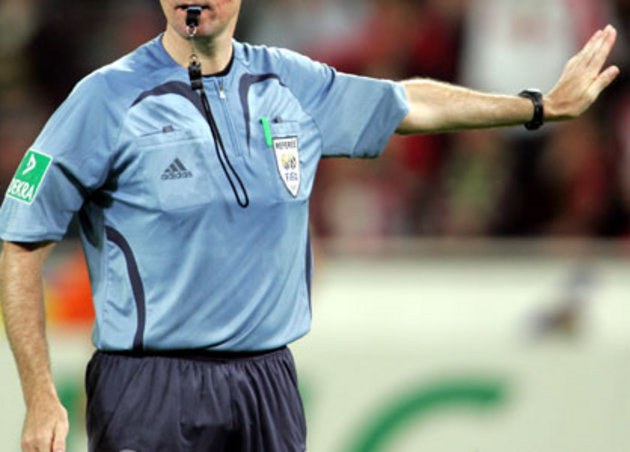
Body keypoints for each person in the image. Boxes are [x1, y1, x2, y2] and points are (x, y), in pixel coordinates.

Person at [0, 1, 619, 451]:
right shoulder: (105, 99)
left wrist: (537, 106)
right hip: (150, 388)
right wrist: (39, 395)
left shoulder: (290, 82)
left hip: (267, 383)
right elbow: (22, 240)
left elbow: (410, 102)